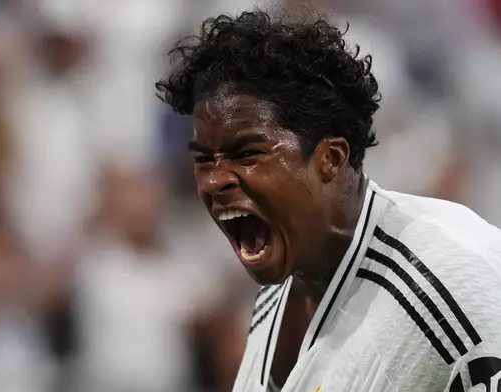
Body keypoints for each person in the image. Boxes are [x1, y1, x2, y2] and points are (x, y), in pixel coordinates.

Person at [155, 9, 501, 392]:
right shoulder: (276, 295)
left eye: (248, 154)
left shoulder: (452, 280)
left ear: (330, 159)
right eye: (203, 159)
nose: (215, 180)